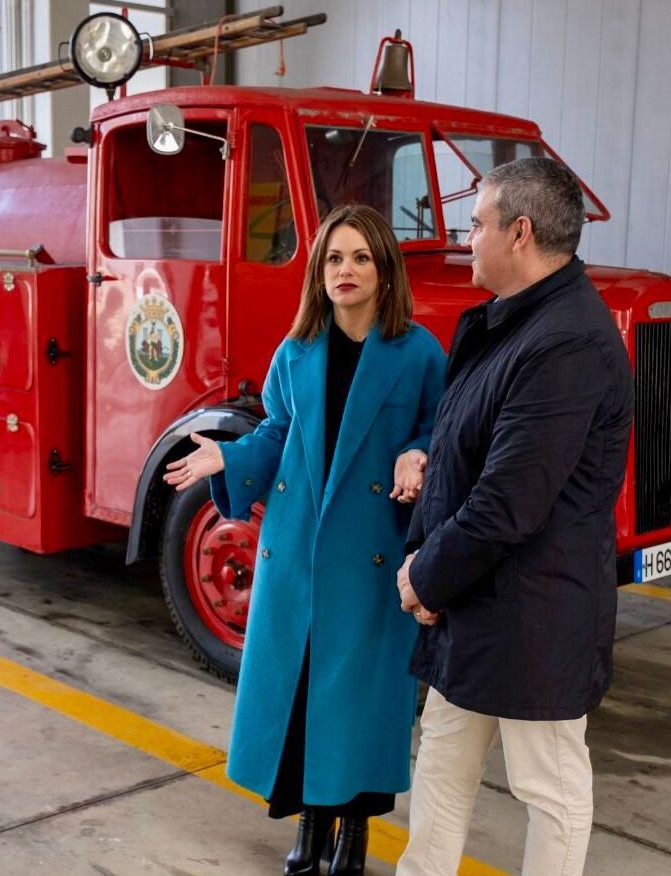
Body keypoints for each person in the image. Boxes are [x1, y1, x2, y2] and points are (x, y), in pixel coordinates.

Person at [166, 204, 446, 876]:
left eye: (360, 258)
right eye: (333, 259)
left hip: (370, 553)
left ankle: (353, 836)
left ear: (384, 271)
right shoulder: (296, 352)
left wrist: (418, 453)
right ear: (318, 272)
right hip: (296, 552)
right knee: (302, 694)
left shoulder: (418, 353)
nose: (345, 271)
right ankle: (311, 828)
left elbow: (441, 428)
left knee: (358, 701)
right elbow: (275, 435)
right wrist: (227, 460)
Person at [394, 157, 633, 876]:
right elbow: (479, 451)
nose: (466, 241)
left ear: (519, 232)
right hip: (478, 602)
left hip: (533, 615)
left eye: (475, 225)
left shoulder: (566, 343)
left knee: (549, 787)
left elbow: (509, 502)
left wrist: (424, 578)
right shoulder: (521, 325)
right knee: (442, 757)